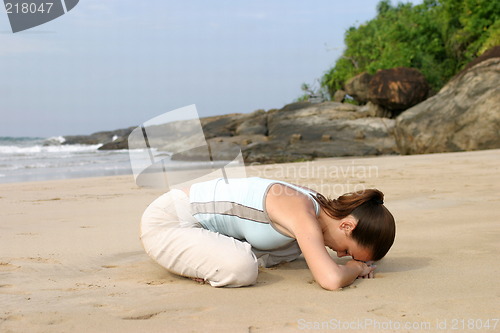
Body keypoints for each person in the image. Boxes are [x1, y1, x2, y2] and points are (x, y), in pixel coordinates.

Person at [140, 177, 395, 290]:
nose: (339, 253)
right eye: (347, 250)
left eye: (348, 256)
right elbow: (330, 280)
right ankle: (201, 264)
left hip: (204, 226)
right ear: (347, 225)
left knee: (293, 250)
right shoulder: (303, 212)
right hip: (169, 221)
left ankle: (207, 256)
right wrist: (354, 268)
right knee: (242, 269)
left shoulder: (316, 207)